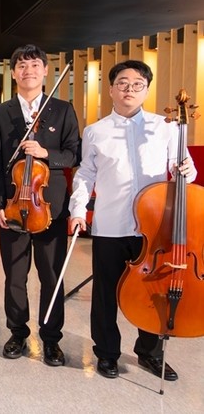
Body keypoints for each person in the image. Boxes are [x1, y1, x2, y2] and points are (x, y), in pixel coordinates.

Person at [69, 60, 196, 380]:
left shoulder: (166, 126)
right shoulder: (95, 131)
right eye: (122, 83)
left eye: (137, 84)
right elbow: (85, 175)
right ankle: (106, 353)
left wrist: (186, 170)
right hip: (111, 224)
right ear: (111, 89)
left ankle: (150, 352)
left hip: (154, 228)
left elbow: (187, 169)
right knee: (105, 294)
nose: (129, 89)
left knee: (154, 291)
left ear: (147, 90)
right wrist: (78, 210)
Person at [0, 44, 79, 367]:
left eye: (35, 65)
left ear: (45, 71)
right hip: (13, 207)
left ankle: (51, 339)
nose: (29, 71)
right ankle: (17, 332)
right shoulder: (0, 113)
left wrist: (45, 154)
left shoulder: (62, 110)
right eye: (22, 66)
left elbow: (73, 154)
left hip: (49, 207)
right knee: (15, 276)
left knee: (52, 275)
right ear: (13, 73)